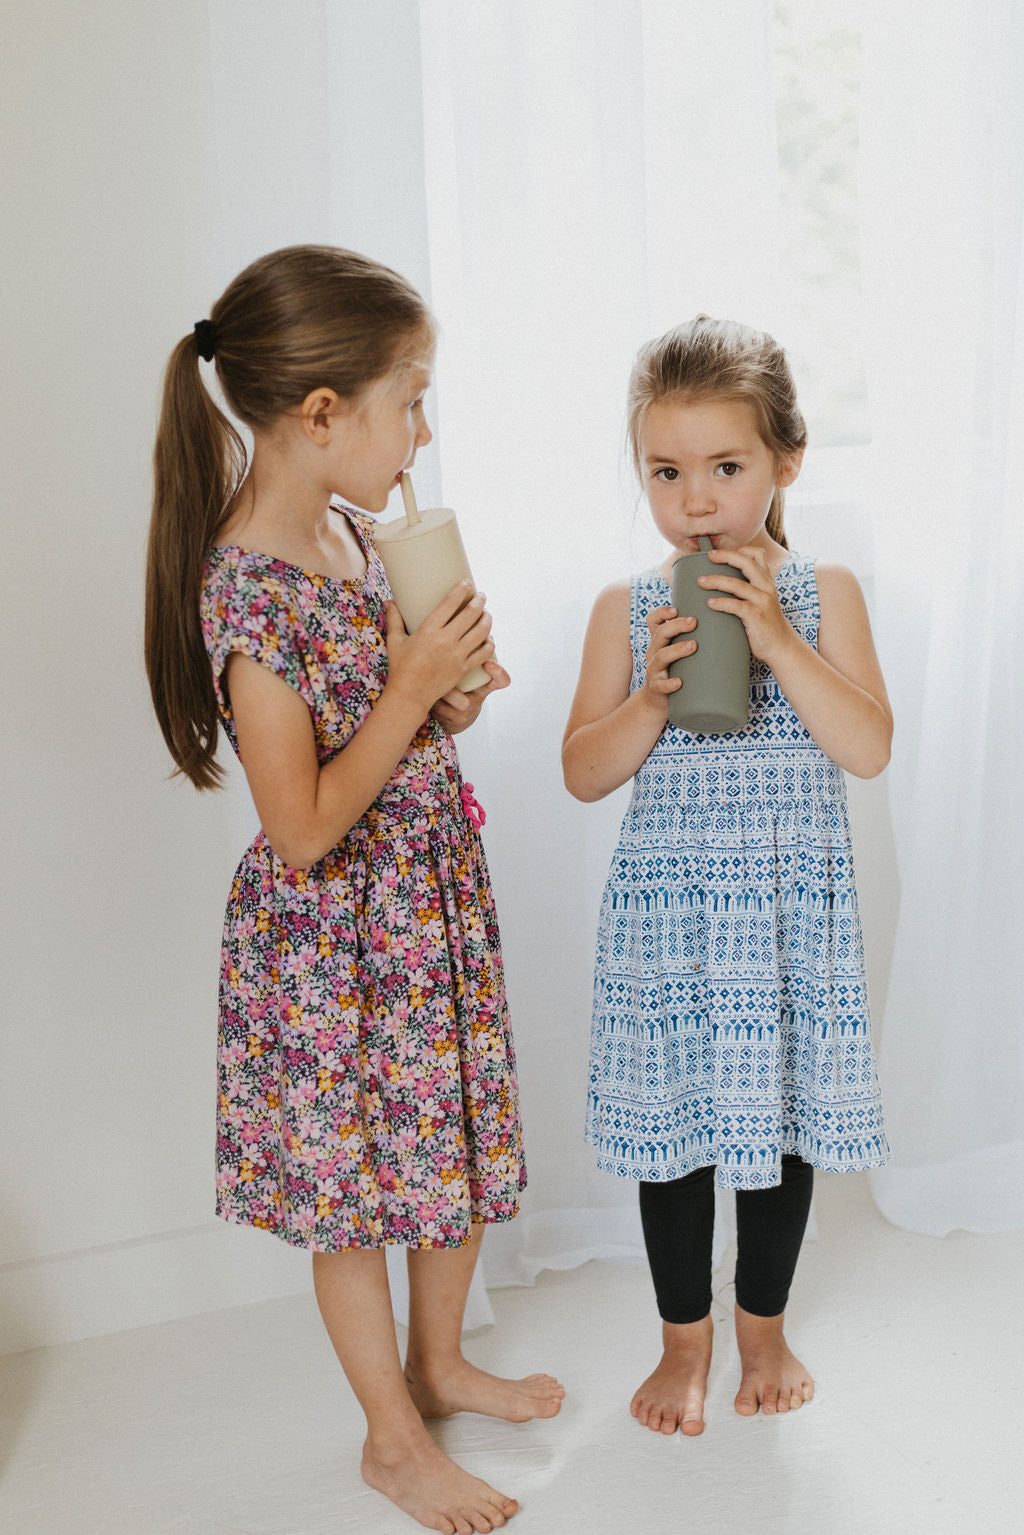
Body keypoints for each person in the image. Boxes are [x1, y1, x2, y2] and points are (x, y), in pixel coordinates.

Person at [146, 244, 563, 1535]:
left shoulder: (350, 533)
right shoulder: (247, 591)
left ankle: (440, 1364)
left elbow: (392, 718)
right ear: (324, 413)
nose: (423, 432)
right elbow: (304, 825)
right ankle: (392, 1437)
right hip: (335, 944)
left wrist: (446, 690)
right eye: (411, 402)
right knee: (357, 1195)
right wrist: (407, 687)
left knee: (452, 1149)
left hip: (424, 901)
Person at [563, 316, 891, 1437]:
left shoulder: (825, 591)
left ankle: (763, 1327)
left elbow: (867, 747)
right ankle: (681, 1340)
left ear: (785, 462)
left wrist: (781, 644)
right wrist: (649, 696)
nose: (695, 499)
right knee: (673, 1134)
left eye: (725, 467)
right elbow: (582, 772)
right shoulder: (625, 607)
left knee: (779, 1126)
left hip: (784, 918)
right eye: (666, 472)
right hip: (673, 921)